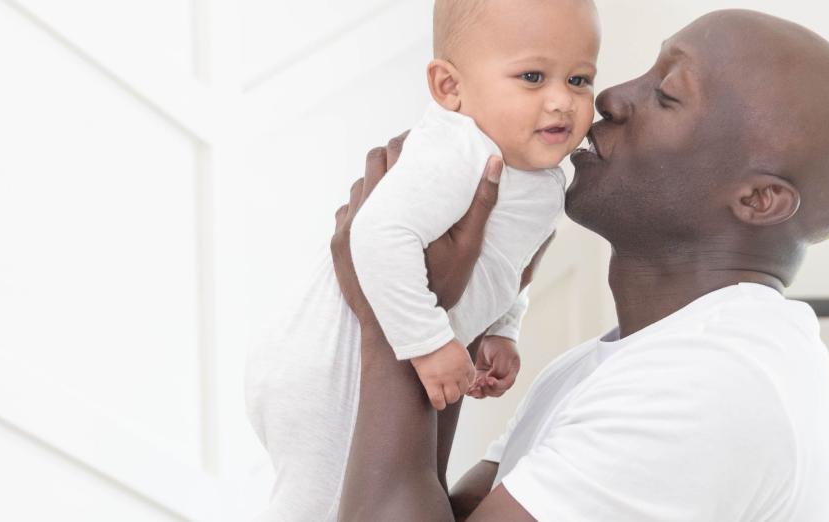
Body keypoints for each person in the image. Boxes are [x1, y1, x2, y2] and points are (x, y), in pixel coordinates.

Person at [330, 9, 829, 521]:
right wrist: (448, 307)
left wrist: (397, 318)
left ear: (758, 199)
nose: (610, 98)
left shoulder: (702, 387)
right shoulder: (608, 369)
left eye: (666, 94)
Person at [244, 0, 600, 519]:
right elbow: (377, 236)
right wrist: (430, 343)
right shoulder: (457, 151)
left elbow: (510, 262)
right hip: (325, 363)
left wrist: (503, 326)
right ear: (449, 88)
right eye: (532, 76)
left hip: (377, 354)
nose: (561, 102)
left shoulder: (541, 177)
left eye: (578, 79)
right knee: (316, 500)